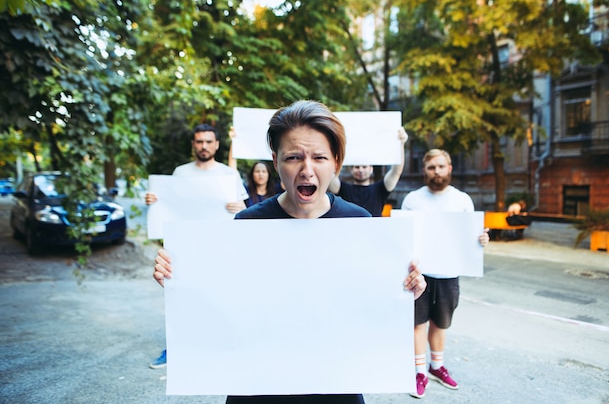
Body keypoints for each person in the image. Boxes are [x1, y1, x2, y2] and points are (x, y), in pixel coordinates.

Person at [153, 100, 428, 403]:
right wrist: (179, 277)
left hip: (336, 383)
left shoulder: (358, 223)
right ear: (275, 161)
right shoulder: (248, 224)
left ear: (336, 162)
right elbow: (222, 299)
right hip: (258, 384)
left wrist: (405, 291)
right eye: (294, 157)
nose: (306, 170)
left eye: (319, 157)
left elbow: (372, 303)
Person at [145, 123, 249, 369]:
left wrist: (239, 208)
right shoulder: (181, 172)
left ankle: (219, 344)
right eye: (199, 141)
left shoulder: (227, 174)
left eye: (208, 141)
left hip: (219, 245)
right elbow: (170, 204)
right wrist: (154, 200)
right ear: (193, 145)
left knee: (220, 294)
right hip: (186, 245)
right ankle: (175, 348)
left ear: (216, 144)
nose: (204, 146)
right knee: (180, 295)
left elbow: (244, 210)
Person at [400, 149, 489, 399]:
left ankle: (436, 367)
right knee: (417, 322)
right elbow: (403, 238)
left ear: (449, 168)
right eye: (431, 167)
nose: (436, 171)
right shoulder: (412, 200)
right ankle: (419, 372)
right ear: (424, 170)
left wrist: (481, 239)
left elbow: (471, 237)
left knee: (441, 322)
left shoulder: (462, 200)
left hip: (450, 273)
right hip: (419, 274)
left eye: (440, 166)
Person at [327, 128, 408, 216]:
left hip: (374, 229)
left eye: (364, 167)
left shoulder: (380, 189)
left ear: (371, 169)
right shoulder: (342, 189)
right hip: (350, 229)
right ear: (351, 170)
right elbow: (330, 175)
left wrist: (400, 144)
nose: (361, 170)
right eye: (357, 167)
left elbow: (396, 172)